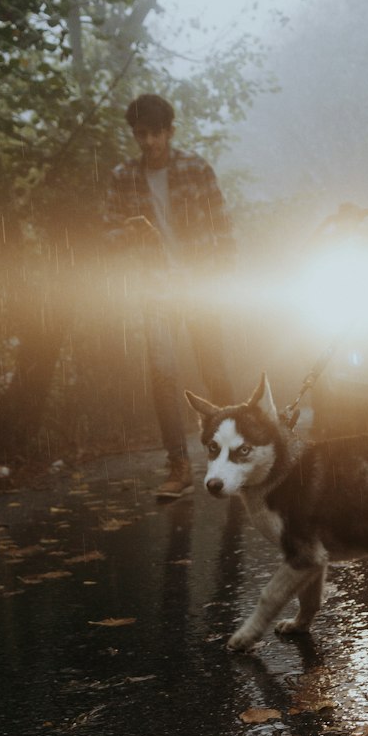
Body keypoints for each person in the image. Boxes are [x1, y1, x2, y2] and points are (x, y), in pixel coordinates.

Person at [104, 93, 234, 499]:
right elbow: (105, 233)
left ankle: (233, 458)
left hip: (199, 283)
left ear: (170, 132)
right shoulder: (122, 177)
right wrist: (129, 231)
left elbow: (222, 226)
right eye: (141, 134)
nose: (149, 142)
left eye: (155, 134)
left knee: (212, 370)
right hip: (155, 287)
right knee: (162, 374)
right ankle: (179, 467)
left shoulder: (196, 169)